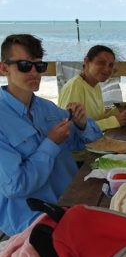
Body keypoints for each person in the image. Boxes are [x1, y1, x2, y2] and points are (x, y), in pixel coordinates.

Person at [0, 34, 101, 236]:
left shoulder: (47, 109)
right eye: (24, 66)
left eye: (40, 66)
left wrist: (81, 124)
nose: (34, 72)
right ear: (4, 68)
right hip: (33, 224)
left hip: (73, 205)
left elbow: (90, 140)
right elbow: (16, 186)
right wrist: (51, 143)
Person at [57, 45, 126, 131]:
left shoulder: (95, 85)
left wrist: (117, 111)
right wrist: (114, 121)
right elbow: (71, 128)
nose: (107, 69)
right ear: (86, 61)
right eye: (101, 63)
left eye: (110, 65)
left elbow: (97, 117)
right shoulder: (75, 87)